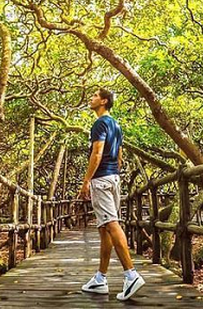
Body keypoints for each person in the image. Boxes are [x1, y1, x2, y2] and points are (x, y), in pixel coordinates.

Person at [78, 88, 145, 301]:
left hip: (102, 179)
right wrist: (114, 175)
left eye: (95, 96)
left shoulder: (100, 123)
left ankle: (131, 274)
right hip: (114, 178)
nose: (91, 99)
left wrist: (87, 181)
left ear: (104, 101)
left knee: (112, 224)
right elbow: (120, 155)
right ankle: (100, 278)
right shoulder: (116, 125)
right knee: (104, 228)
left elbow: (97, 152)